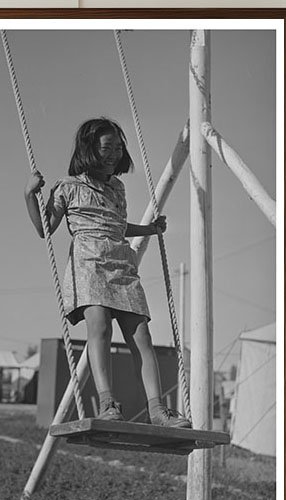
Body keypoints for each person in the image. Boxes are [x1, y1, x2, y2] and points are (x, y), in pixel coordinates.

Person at [23, 117, 191, 428]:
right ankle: (107, 403)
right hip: (88, 264)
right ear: (89, 150)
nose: (113, 153)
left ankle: (158, 410)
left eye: (117, 147)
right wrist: (29, 195)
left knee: (141, 335)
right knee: (99, 329)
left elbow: (116, 225)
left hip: (120, 263)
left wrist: (149, 229)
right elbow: (44, 229)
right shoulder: (67, 187)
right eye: (106, 148)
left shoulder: (118, 188)